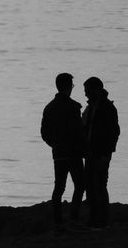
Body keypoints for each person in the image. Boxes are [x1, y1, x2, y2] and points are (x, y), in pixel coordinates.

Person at [41, 73, 85, 230]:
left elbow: (44, 132)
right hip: (73, 153)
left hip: (59, 154)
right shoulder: (74, 108)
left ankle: (58, 219)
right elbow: (79, 132)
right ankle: (73, 216)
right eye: (72, 86)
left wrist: (54, 144)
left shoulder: (49, 107)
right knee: (80, 185)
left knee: (59, 187)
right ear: (68, 87)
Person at [82, 77, 120, 229]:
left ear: (97, 89)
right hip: (90, 151)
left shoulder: (107, 108)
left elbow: (113, 133)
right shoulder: (92, 107)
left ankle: (102, 219)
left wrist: (107, 154)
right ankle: (94, 218)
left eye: (88, 91)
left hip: (101, 152)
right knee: (91, 186)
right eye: (85, 91)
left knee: (99, 185)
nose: (86, 94)